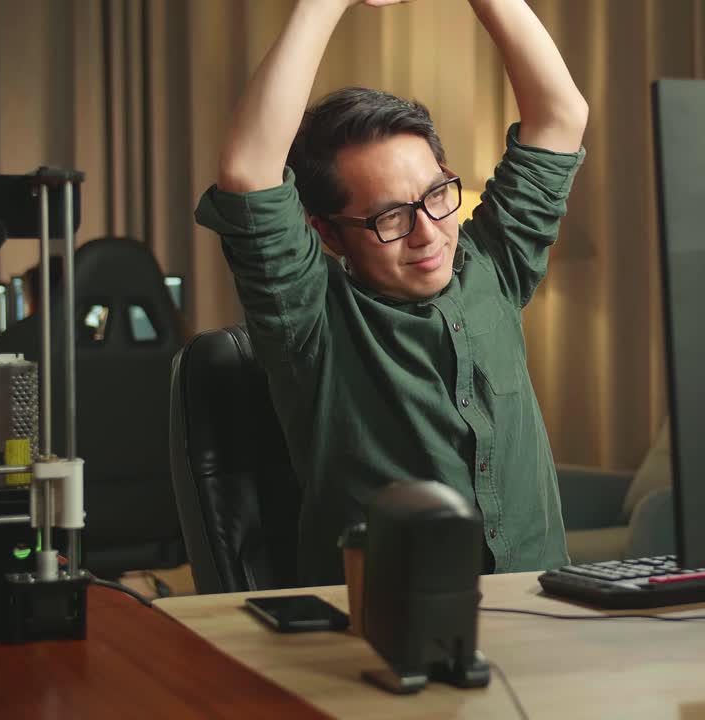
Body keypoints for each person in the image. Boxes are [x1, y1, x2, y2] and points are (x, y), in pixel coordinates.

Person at [195, 0, 588, 585]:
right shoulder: (309, 319)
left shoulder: (492, 267)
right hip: (385, 629)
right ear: (329, 233)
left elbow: (561, 116)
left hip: (544, 611)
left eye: (436, 195)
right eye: (389, 218)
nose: (428, 232)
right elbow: (249, 169)